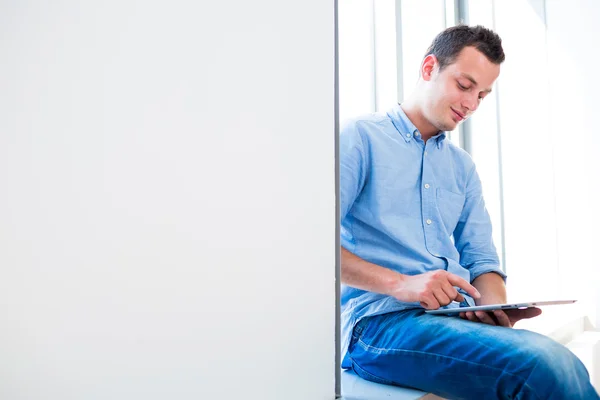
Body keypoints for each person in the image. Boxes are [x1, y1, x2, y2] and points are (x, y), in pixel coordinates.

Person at [340, 25, 599, 399]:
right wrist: (402, 283)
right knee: (547, 364)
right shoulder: (358, 138)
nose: (472, 104)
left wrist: (492, 307)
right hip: (380, 324)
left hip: (452, 320)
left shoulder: (462, 167)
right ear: (429, 68)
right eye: (465, 86)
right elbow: (313, 246)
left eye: (482, 95)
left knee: (553, 361)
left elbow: (481, 261)